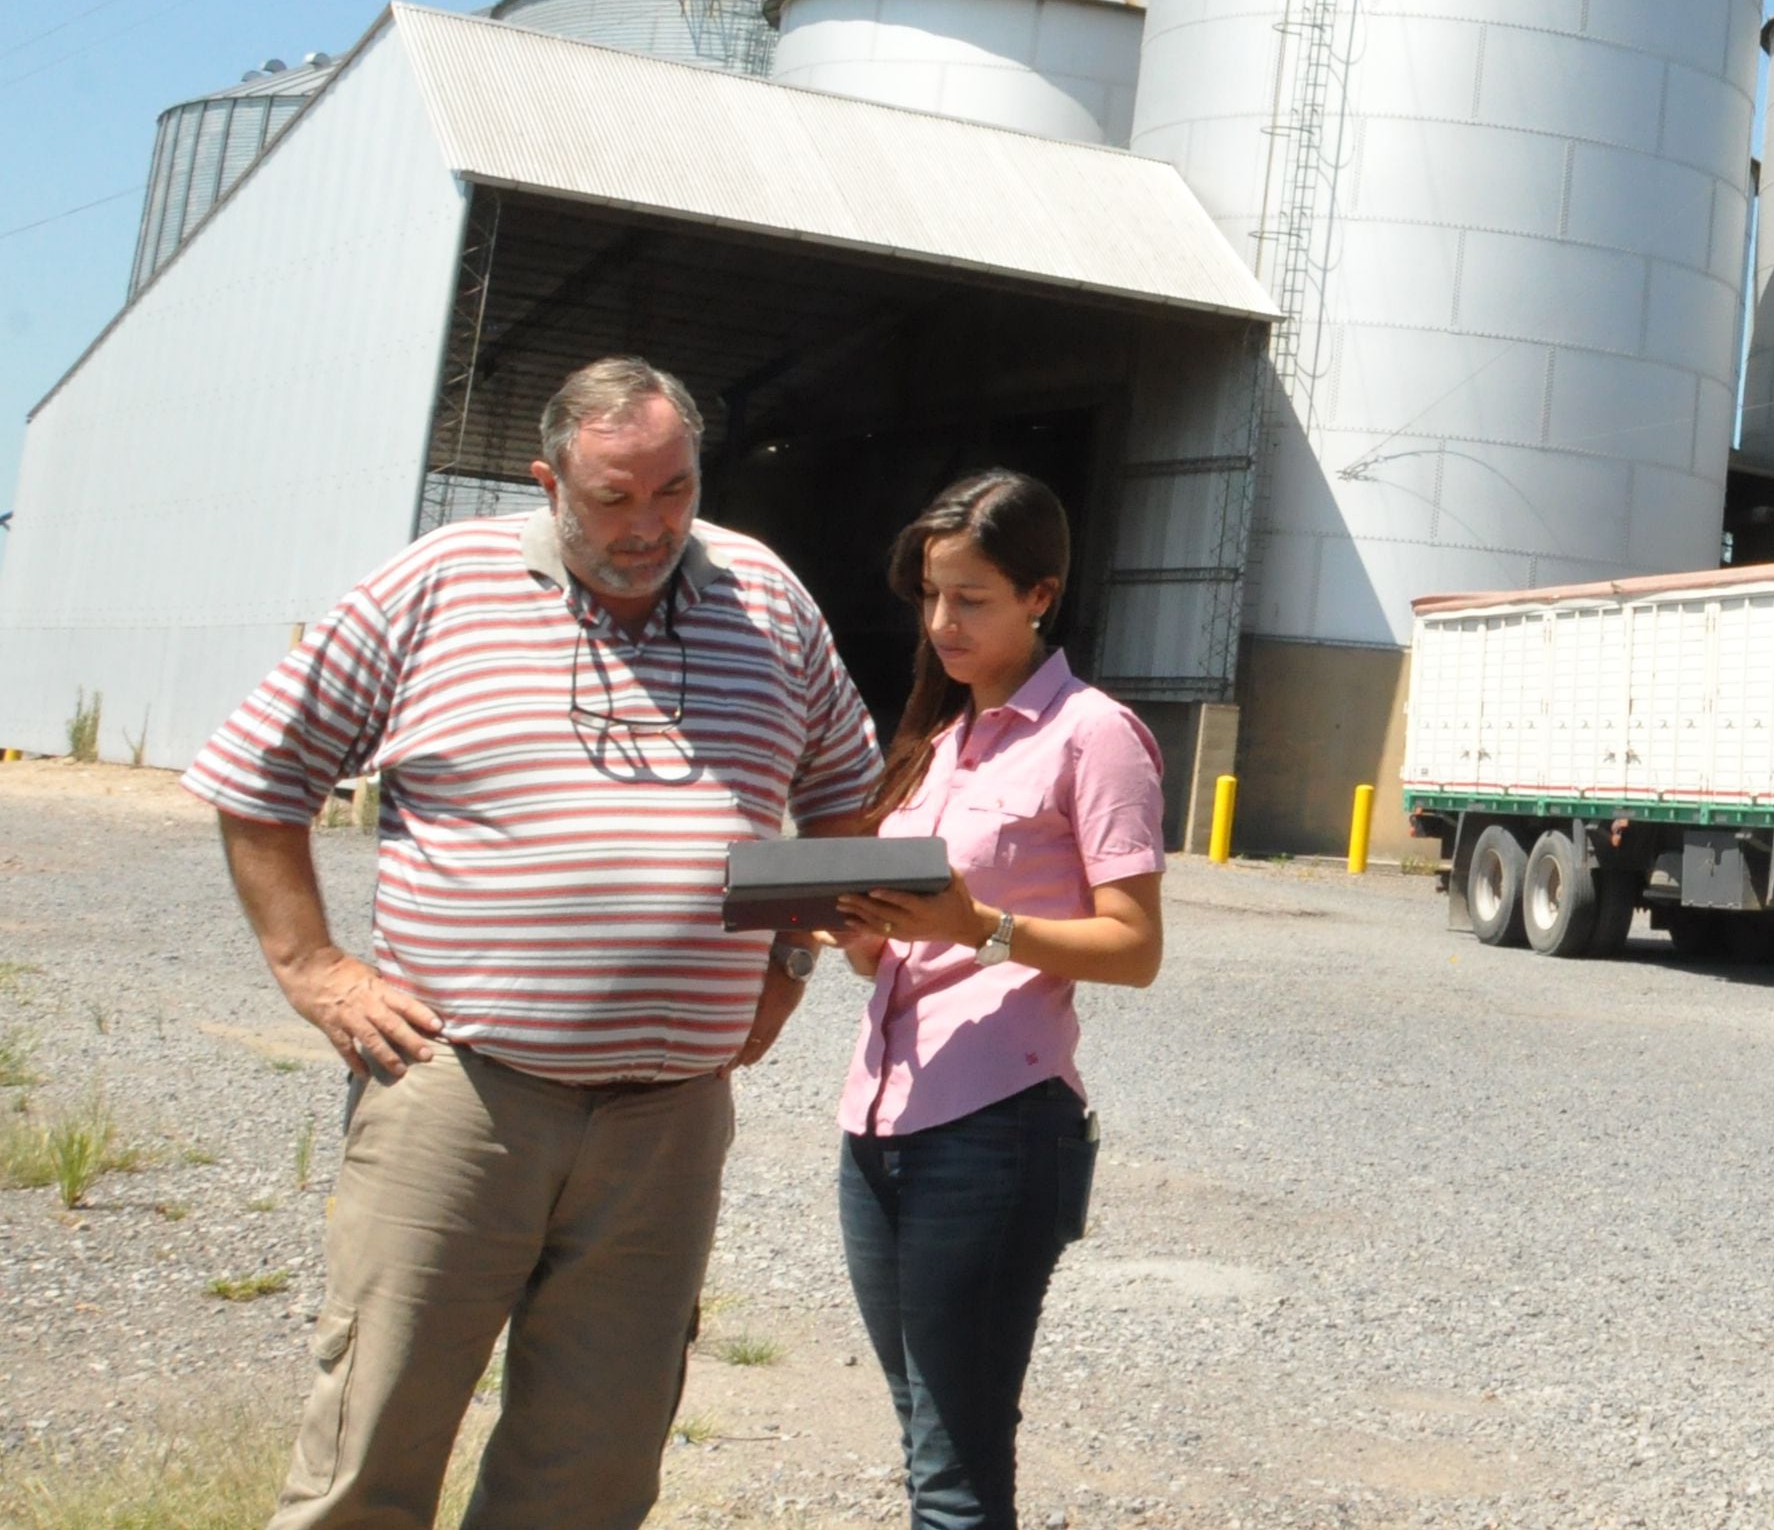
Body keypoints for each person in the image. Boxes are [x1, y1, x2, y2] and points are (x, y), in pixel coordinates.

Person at [185, 357, 883, 1530]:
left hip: (669, 1118)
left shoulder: (765, 596)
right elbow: (261, 772)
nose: (650, 524)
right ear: (547, 478)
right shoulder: (438, 584)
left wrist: (789, 957)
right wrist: (313, 966)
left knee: (594, 1471)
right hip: (457, 1093)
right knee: (372, 1446)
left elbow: (846, 798)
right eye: (614, 497)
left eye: (675, 489)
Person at [833, 469, 1168, 1530]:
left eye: (970, 597)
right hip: (879, 1119)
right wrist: (859, 930)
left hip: (993, 1129)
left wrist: (982, 928)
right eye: (931, 597)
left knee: (955, 1470)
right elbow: (898, 954)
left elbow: (1137, 945)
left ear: (1041, 595)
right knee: (926, 1426)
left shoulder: (1095, 734)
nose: (941, 622)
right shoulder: (934, 745)